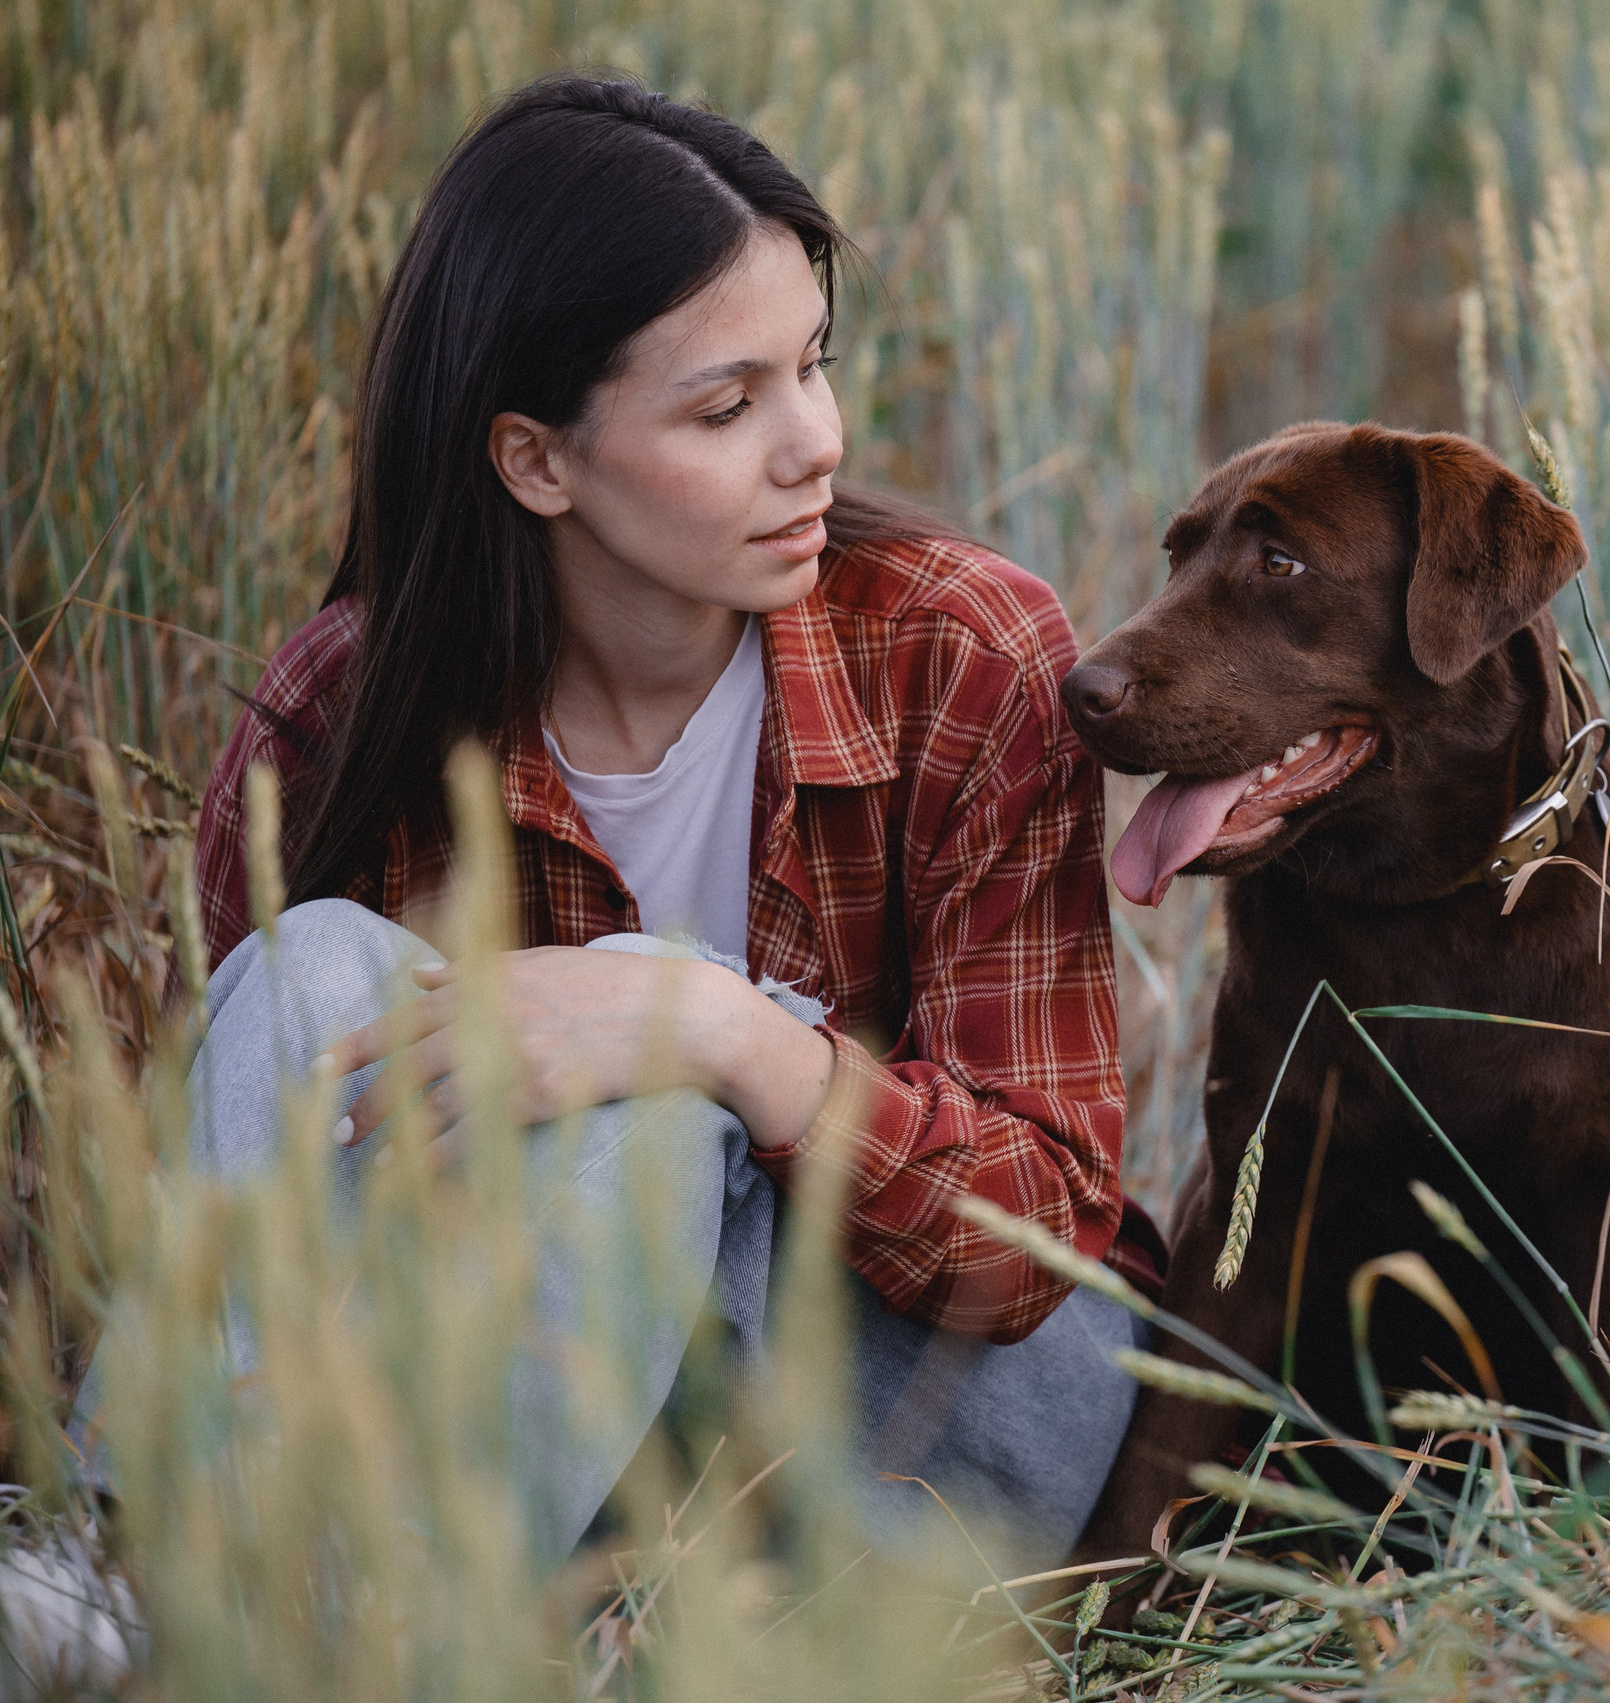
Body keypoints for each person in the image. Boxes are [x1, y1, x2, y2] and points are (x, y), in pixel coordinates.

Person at [127, 74, 1154, 1568]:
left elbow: (1037, 1238)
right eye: (730, 405)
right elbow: (215, 1163)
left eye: (814, 364)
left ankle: (301, 1622)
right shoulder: (347, 712)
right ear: (535, 457)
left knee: (661, 1111)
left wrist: (723, 1037)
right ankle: (150, 1558)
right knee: (304, 969)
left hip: (921, 1436)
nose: (817, 440)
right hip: (522, 1428)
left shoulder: (964, 651)